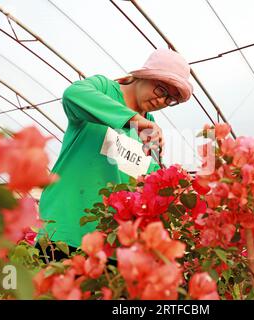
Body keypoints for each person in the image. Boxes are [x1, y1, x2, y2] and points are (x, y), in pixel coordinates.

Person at [36, 48, 193, 261]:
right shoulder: (104, 89)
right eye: (160, 90)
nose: (162, 101)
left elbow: (145, 183)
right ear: (143, 76)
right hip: (65, 231)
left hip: (110, 243)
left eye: (170, 99)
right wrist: (134, 120)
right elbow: (73, 94)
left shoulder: (150, 130)